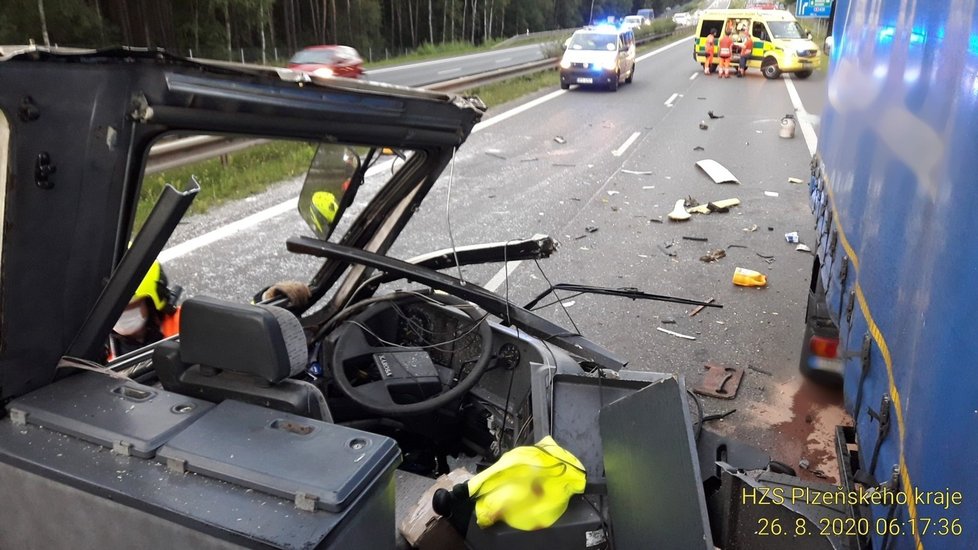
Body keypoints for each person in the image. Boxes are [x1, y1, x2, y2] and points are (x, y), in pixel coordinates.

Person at [108, 261, 181, 360]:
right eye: (113, 310)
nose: (121, 315)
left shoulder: (185, 324)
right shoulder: (96, 355)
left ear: (151, 304)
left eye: (130, 306)